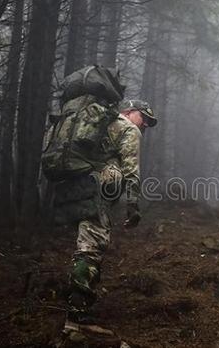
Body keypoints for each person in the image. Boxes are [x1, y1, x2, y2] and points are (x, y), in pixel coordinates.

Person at [51, 98, 157, 330]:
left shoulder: (97, 124)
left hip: (70, 189)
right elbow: (131, 169)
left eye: (149, 121)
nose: (146, 125)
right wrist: (133, 204)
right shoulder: (128, 129)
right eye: (144, 117)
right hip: (95, 193)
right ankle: (77, 315)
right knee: (91, 249)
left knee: (84, 245)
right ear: (129, 111)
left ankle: (73, 298)